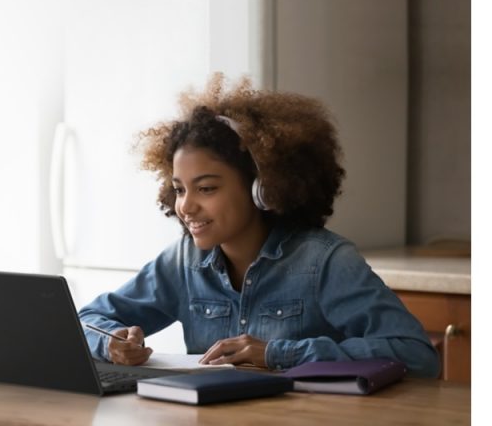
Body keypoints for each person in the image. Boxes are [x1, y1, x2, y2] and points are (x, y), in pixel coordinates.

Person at [77, 74, 441, 377]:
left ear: (262, 187)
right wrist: (110, 341)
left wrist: (277, 354)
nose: (185, 206)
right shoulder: (183, 262)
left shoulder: (324, 261)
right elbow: (86, 319)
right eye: (178, 189)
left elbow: (415, 354)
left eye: (206, 188)